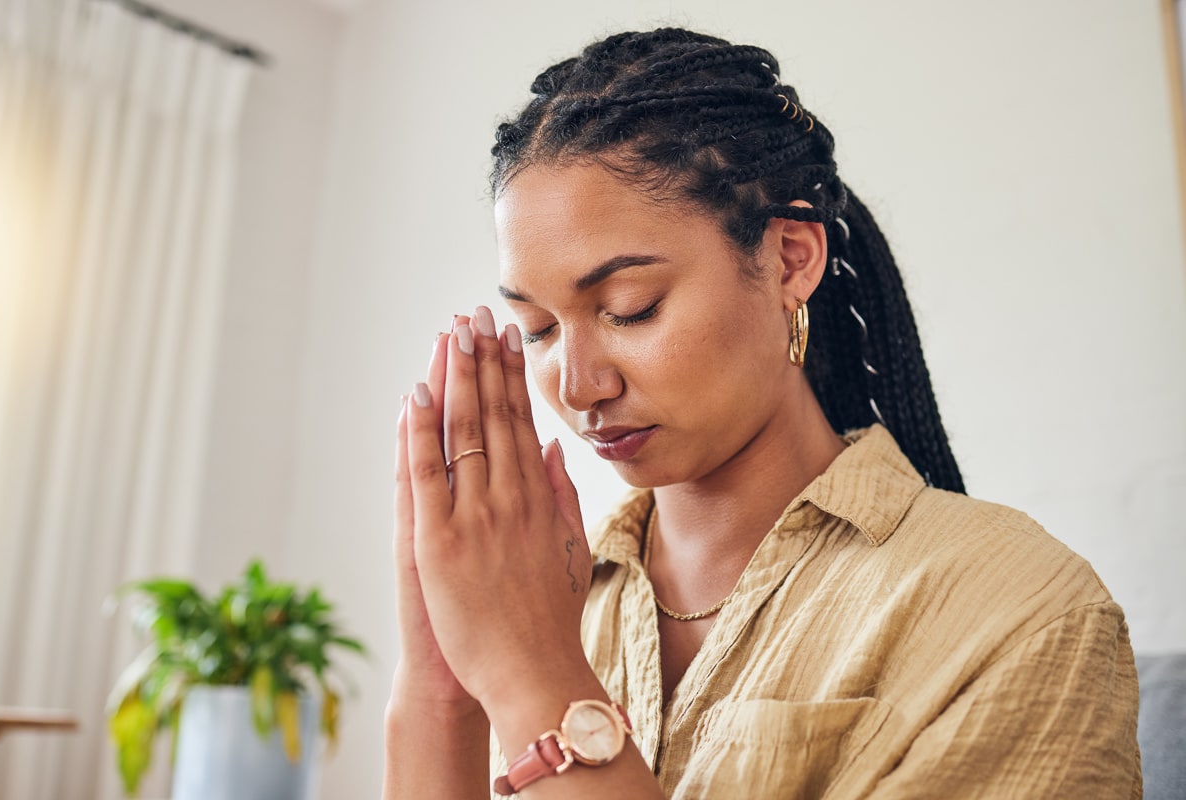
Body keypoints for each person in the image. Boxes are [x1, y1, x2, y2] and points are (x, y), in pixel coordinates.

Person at [384, 28, 1141, 799]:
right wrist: (440, 681)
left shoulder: (1018, 607)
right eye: (538, 329)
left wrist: (532, 675)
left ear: (788, 260)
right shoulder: (549, 599)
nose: (576, 387)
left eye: (629, 309)